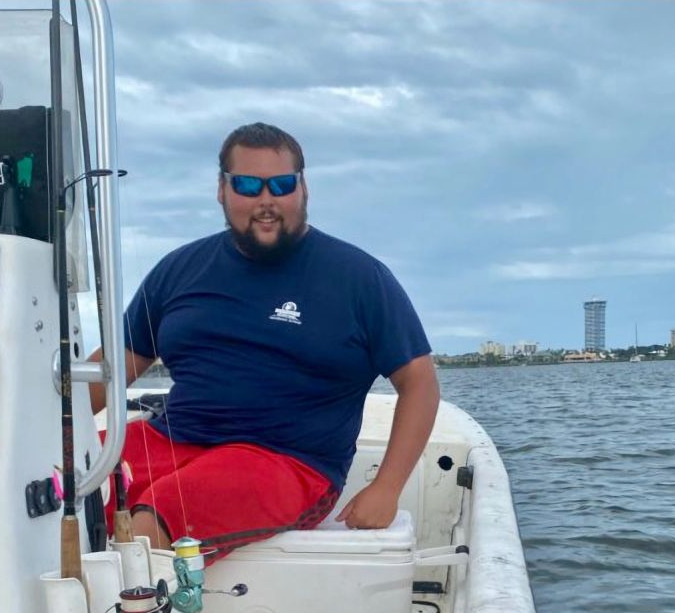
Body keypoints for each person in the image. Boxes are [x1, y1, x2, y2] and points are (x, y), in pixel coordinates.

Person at [91, 122, 439, 560]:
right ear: (222, 189)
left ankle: (128, 603)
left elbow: (419, 382)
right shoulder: (178, 270)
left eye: (281, 184)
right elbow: (114, 367)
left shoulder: (360, 278)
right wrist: (49, 426)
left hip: (289, 462)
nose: (266, 200)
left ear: (303, 188)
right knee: (54, 479)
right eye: (248, 186)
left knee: (156, 516)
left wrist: (387, 487)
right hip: (173, 439)